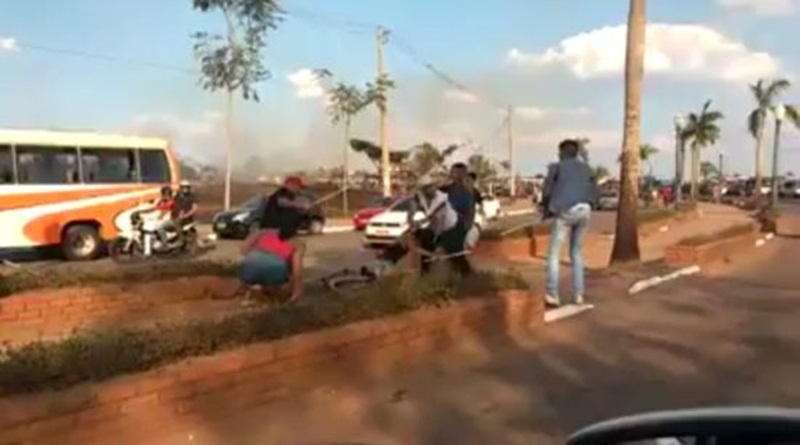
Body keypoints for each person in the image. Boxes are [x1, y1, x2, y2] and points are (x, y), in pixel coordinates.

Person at [540, 139, 599, 307]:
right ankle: (578, 294)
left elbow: (547, 191)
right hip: (585, 209)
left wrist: (546, 210)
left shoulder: (556, 167)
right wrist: (591, 204)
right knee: (576, 252)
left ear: (564, 153)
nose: (558, 155)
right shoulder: (587, 168)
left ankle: (552, 294)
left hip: (565, 210)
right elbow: (595, 190)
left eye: (560, 152)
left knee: (554, 253)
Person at [403, 175, 471, 276]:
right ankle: (424, 274)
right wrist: (411, 222)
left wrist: (436, 238)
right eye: (428, 187)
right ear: (423, 190)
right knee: (425, 243)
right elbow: (412, 209)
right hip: (435, 226)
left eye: (433, 186)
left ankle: (467, 275)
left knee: (454, 252)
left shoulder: (442, 199)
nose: (432, 189)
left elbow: (435, 218)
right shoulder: (420, 197)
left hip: (452, 227)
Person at [238, 224, 305, 304]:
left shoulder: (262, 232)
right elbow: (297, 270)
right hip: (274, 271)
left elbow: (243, 249)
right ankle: (269, 288)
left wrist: (258, 251)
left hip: (249, 269)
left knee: (255, 266)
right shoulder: (297, 243)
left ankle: (255, 286)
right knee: (283, 270)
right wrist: (296, 291)